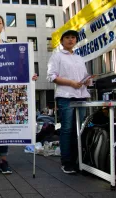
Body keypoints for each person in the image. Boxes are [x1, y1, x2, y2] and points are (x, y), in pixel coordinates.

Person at [0, 13, 38, 175]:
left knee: (4, 126)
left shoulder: (10, 47)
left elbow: (18, 70)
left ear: (3, 26)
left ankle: (4, 160)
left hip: (5, 93)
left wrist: (29, 76)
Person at [47, 29, 91, 174]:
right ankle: (66, 162)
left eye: (73, 37)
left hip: (81, 95)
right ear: (62, 41)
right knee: (67, 129)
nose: (71, 40)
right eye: (67, 38)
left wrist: (87, 81)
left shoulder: (79, 58)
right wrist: (71, 83)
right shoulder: (57, 56)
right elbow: (52, 76)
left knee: (78, 129)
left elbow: (84, 77)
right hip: (66, 96)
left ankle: (78, 161)